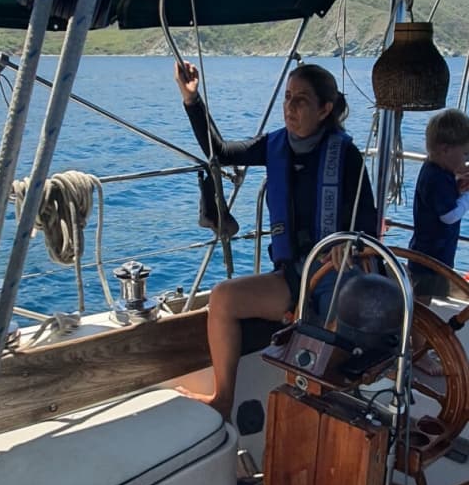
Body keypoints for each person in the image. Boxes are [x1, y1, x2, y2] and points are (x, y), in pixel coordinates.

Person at [174, 60, 377, 419]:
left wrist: (350, 243)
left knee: (330, 336)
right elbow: (220, 151)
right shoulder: (275, 145)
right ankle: (223, 399)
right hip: (292, 278)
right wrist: (192, 100)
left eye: (301, 100)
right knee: (223, 298)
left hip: (336, 279)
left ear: (325, 109)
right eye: (287, 97)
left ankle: (325, 414)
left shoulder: (345, 155)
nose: (290, 107)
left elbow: (367, 225)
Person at [408, 108, 469, 298]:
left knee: (425, 302)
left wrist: (458, 189)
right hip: (430, 259)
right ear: (445, 150)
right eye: (465, 154)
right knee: (422, 307)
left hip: (430, 256)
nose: (466, 159)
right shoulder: (437, 178)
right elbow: (449, 216)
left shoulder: (436, 171)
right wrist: (467, 198)